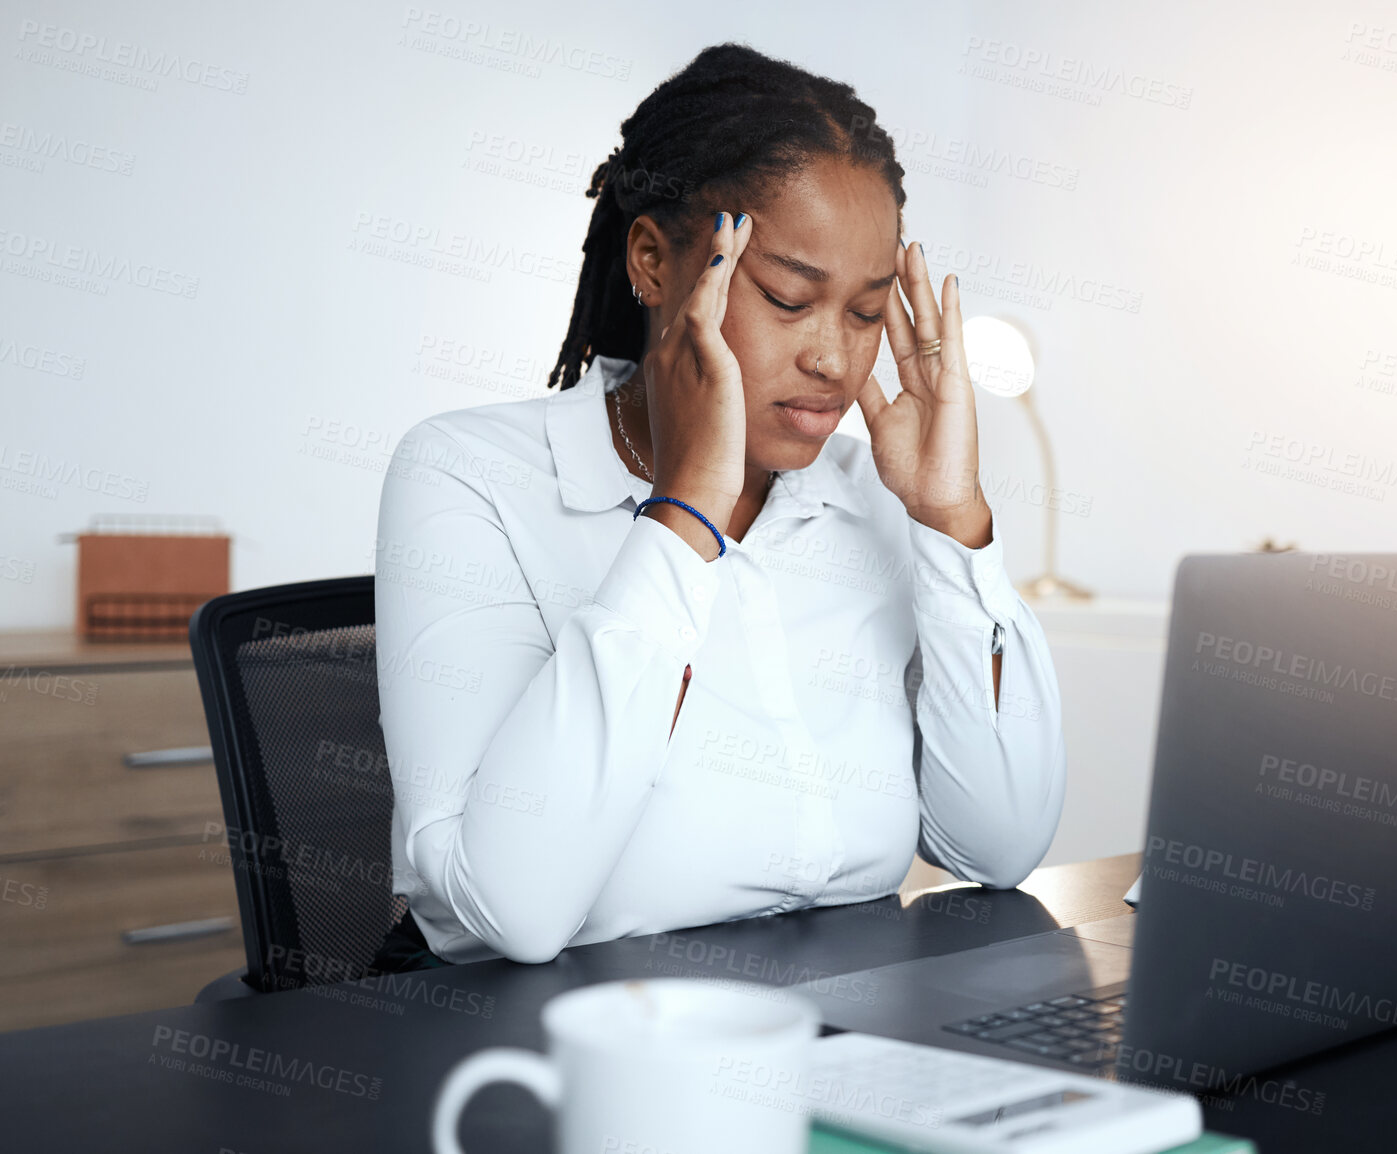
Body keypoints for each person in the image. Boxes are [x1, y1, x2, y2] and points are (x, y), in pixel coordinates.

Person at [371, 42, 1065, 968]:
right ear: (654, 262)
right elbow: (511, 912)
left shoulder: (869, 497)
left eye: (864, 314)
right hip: (544, 1053)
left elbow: (1000, 843)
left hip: (826, 1031)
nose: (832, 358)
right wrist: (687, 509)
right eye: (786, 298)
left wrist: (952, 523)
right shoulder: (469, 474)